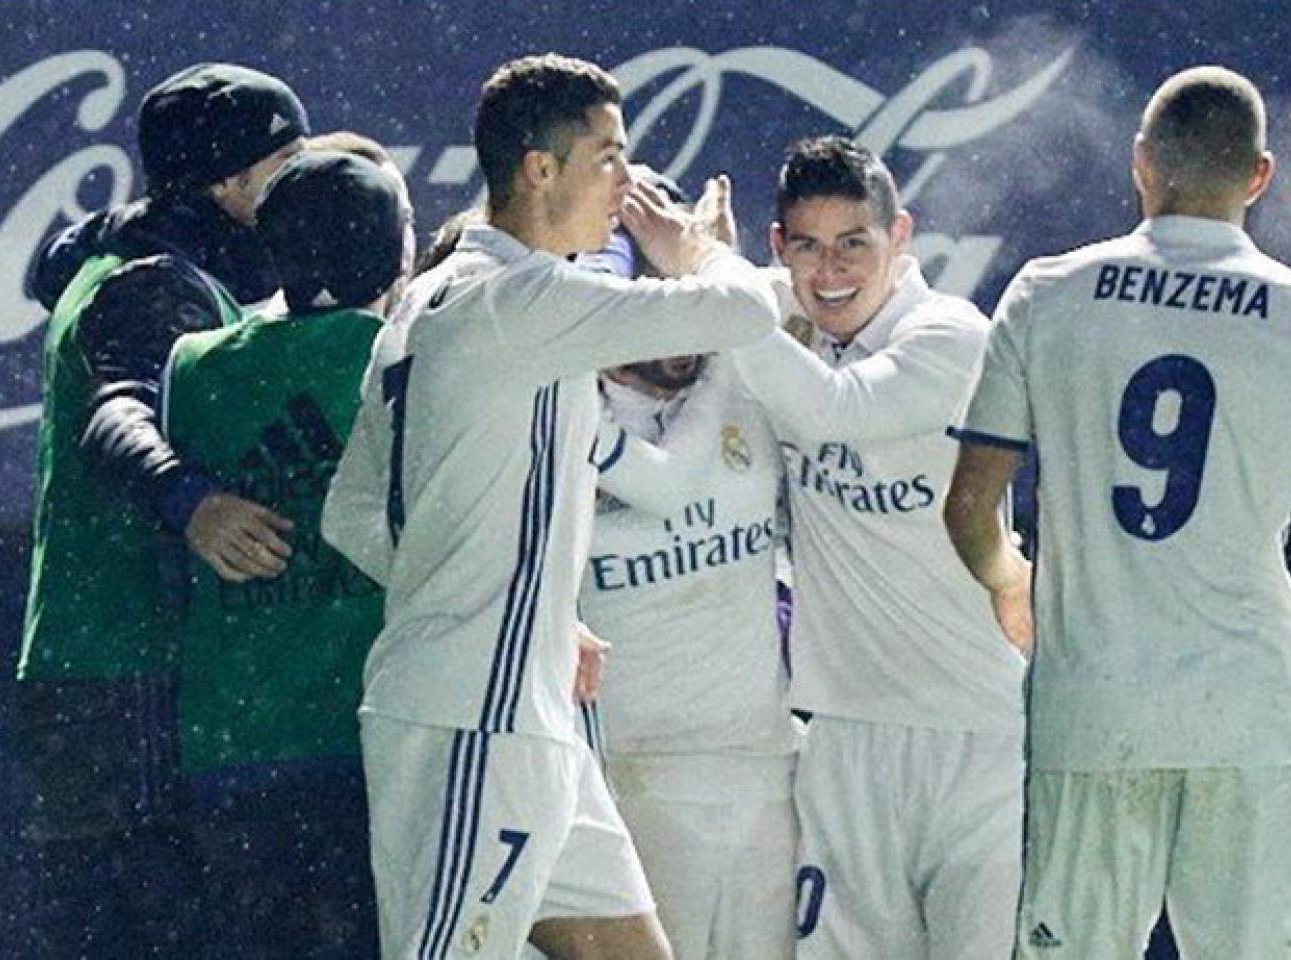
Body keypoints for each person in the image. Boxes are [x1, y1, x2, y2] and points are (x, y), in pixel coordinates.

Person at [943, 66, 1291, 958]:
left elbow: (971, 504)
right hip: (1246, 715)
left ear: (1141, 164)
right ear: (1260, 176)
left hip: (1093, 708)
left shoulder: (1047, 295)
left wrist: (1011, 580)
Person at [321, 53, 776, 960]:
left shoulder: (430, 298)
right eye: (609, 156)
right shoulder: (521, 296)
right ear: (540, 169)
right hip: (472, 719)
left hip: (523, 715)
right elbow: (747, 308)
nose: (627, 182)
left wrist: (535, 609)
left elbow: (354, 514)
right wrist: (696, 245)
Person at [16, 61, 307, 958]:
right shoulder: (154, 282)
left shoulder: (121, 254)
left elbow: (45, 263)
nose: (303, 185)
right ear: (226, 183)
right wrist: (194, 504)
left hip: (91, 668)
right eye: (286, 165)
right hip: (125, 666)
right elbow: (116, 414)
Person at [722, 136, 1025, 959]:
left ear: (900, 238)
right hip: (844, 740)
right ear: (778, 249)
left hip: (981, 741)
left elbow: (834, 410)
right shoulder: (786, 325)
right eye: (807, 248)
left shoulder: (950, 333)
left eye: (854, 243)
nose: (830, 273)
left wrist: (716, 289)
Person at [161, 147, 411, 959]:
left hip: (232, 750)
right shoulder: (411, 359)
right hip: (368, 745)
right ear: (398, 250)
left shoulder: (195, 364)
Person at [573, 172, 801, 960]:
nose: (684, 333)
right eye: (658, 302)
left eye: (691, 297)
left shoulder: (743, 367)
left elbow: (824, 294)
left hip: (763, 768)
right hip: (634, 775)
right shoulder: (560, 404)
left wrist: (710, 258)